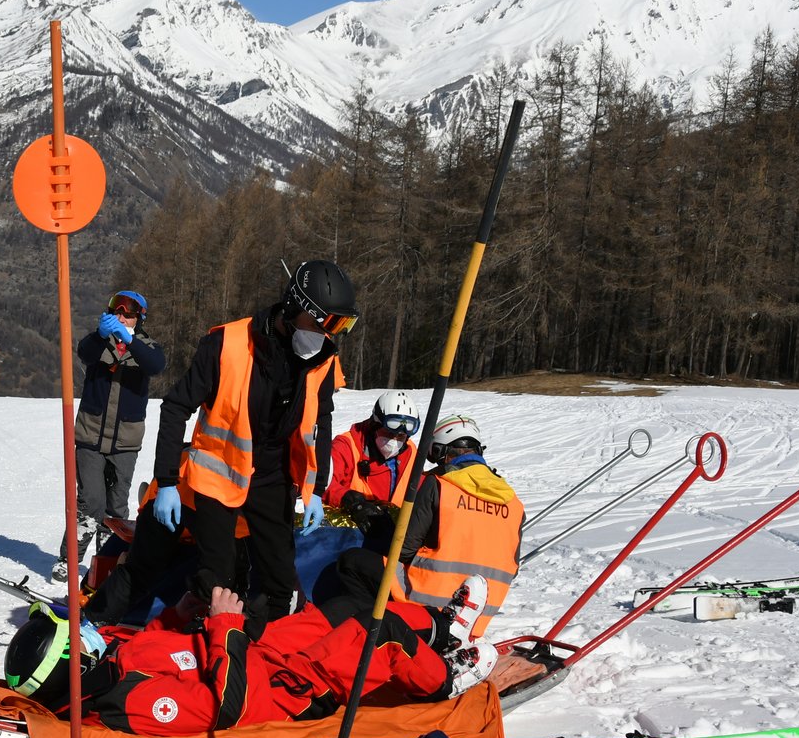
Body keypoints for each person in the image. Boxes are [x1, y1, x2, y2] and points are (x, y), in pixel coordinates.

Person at [3, 555, 498, 737]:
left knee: (345, 606)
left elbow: (148, 646)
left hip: (252, 654)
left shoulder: (108, 659)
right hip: (282, 693)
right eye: (79, 633)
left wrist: (179, 614)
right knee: (377, 635)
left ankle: (441, 628)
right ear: (74, 662)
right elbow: (230, 707)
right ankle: (442, 684)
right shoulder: (133, 702)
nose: (88, 627)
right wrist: (224, 626)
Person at [148, 259, 359, 635]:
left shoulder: (322, 359)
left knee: (280, 578)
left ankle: (268, 647)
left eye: (341, 326)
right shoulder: (226, 344)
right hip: (218, 473)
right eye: (326, 323)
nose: (330, 335)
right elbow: (176, 406)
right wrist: (166, 480)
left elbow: (320, 420)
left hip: (273, 477)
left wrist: (316, 489)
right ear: (296, 308)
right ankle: (209, 642)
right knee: (219, 579)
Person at [332, 414, 524, 639]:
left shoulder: (440, 486)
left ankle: (373, 635)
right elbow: (513, 567)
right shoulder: (514, 504)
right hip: (478, 616)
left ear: (442, 451)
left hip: (428, 602)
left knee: (352, 561)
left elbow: (403, 550)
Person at [52, 289, 166, 583]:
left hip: (125, 442)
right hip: (90, 436)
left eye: (129, 314)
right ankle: (69, 559)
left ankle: (108, 561)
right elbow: (84, 352)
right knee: (90, 503)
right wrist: (103, 335)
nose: (122, 318)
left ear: (139, 319)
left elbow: (155, 365)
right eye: (117, 311)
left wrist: (130, 341)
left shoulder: (147, 347)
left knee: (116, 506)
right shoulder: (99, 342)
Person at [324, 389, 422, 538]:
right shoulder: (346, 446)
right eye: (389, 433)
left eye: (401, 436)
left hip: (397, 535)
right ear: (375, 424)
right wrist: (351, 501)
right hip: (352, 532)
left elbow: (421, 489)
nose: (395, 440)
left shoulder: (410, 452)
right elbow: (324, 483)